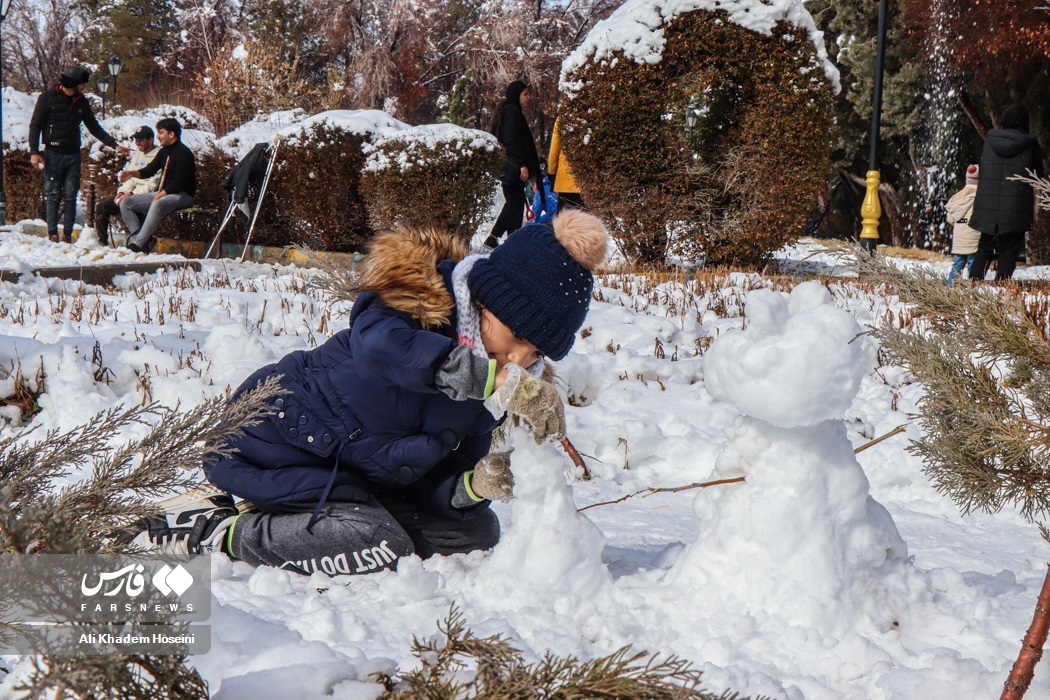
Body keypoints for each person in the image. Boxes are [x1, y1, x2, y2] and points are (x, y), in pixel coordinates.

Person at [130, 210, 611, 576]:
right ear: (486, 301)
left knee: (476, 531)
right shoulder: (412, 310)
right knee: (380, 541)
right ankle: (225, 533)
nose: (523, 358)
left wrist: (475, 485)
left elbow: (433, 480)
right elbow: (380, 349)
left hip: (357, 480)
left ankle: (294, 521)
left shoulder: (488, 393)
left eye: (537, 351)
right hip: (276, 442)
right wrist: (490, 379)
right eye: (519, 336)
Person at [28, 66, 130, 243]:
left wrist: (115, 145)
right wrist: (34, 151)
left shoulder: (81, 101)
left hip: (73, 154)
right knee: (53, 194)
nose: (84, 87)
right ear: (73, 83)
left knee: (70, 194)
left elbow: (94, 127)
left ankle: (67, 235)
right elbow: (35, 125)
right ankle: (52, 233)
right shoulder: (47, 98)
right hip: (52, 153)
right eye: (82, 84)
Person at [968, 103, 1045, 281]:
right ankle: (1001, 289)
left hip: (987, 204)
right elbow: (1037, 176)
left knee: (984, 248)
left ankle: (971, 289)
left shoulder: (989, 141)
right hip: (1015, 206)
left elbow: (982, 166)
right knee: (1008, 251)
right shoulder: (1030, 144)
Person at [118, 118, 197, 253]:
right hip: (165, 193)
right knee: (126, 203)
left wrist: (160, 194)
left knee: (158, 203)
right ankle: (142, 242)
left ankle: (136, 245)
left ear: (171, 134)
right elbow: (150, 170)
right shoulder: (164, 151)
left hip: (183, 195)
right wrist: (132, 173)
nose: (158, 137)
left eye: (161, 133)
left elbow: (180, 182)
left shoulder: (184, 153)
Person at [484, 80, 544, 249]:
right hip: (514, 168)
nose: (528, 98)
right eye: (525, 94)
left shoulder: (509, 111)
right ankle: (513, 244)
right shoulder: (512, 112)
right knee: (515, 204)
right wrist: (523, 164)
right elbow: (512, 141)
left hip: (512, 168)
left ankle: (494, 237)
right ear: (515, 95)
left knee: (513, 201)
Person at [94, 126, 162, 246]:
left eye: (141, 140)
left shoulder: (159, 155)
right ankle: (102, 242)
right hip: (131, 194)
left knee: (132, 206)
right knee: (103, 207)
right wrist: (122, 192)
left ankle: (144, 242)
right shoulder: (137, 155)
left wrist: (131, 194)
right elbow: (130, 179)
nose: (137, 143)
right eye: (136, 140)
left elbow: (153, 184)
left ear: (151, 140)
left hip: (147, 195)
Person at [945, 164, 981, 285]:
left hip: (959, 239)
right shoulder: (981, 196)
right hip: (974, 237)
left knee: (957, 265)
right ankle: (973, 290)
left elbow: (950, 218)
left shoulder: (958, 196)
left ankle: (949, 288)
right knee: (973, 266)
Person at [547, 116, 584, 210]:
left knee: (564, 219)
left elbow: (554, 149)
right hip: (587, 180)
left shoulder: (563, 118)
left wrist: (552, 172)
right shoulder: (595, 115)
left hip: (565, 180)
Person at [531, 157, 558, 225]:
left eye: (532, 187)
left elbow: (533, 218)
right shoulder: (552, 186)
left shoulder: (540, 192)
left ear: (535, 184)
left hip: (560, 221)